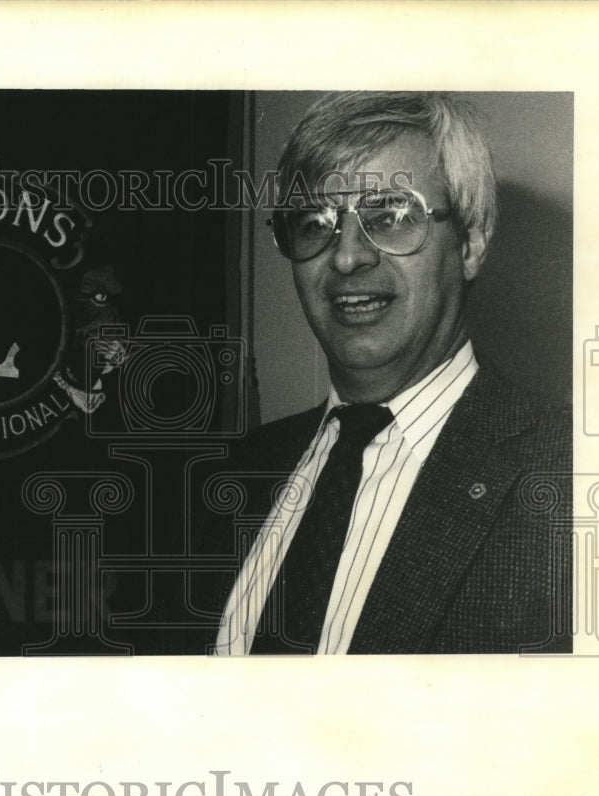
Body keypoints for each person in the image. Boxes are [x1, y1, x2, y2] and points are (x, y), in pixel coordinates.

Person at [203, 91, 571, 655]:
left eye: (393, 216)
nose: (347, 256)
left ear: (471, 242)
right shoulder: (231, 473)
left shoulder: (577, 482)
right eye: (314, 222)